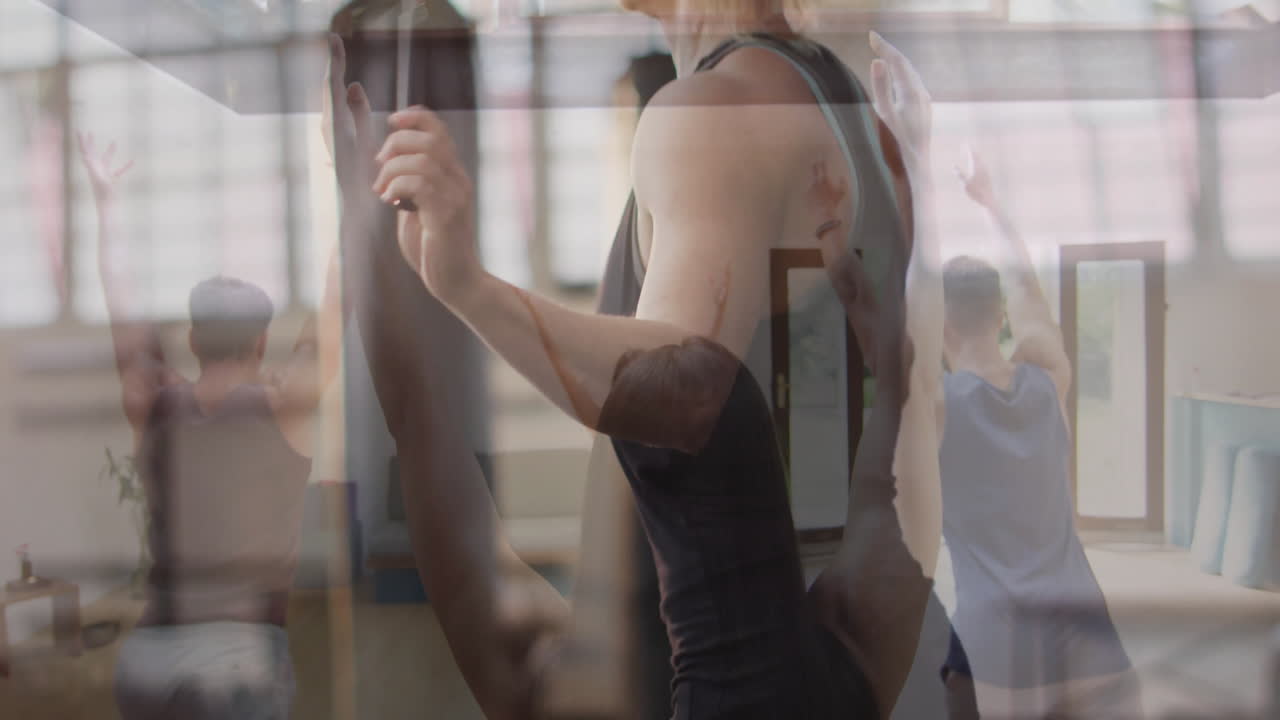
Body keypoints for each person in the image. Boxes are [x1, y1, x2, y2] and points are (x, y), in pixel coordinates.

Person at [328, 1, 947, 717]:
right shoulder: (818, 95)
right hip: (830, 656)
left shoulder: (710, 115)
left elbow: (685, 390)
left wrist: (465, 284)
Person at [77, 133, 345, 720]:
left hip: (151, 655)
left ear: (194, 341)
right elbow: (334, 308)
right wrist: (343, 189)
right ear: (261, 341)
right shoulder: (282, 403)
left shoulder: (157, 401)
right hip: (240, 656)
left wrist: (105, 202)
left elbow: (121, 316)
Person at [938, 148, 1143, 719]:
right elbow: (1033, 300)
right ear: (999, 316)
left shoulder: (936, 411)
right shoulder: (1049, 381)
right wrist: (993, 207)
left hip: (993, 632)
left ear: (941, 323)